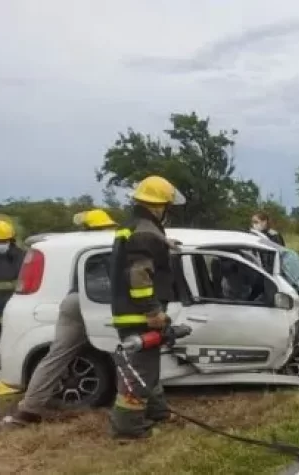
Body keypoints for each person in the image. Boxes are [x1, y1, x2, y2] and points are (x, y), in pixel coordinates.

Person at [0, 209, 117, 430]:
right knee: (131, 352)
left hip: (69, 304)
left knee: (57, 356)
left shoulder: (79, 247)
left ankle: (28, 410)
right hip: (97, 304)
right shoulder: (106, 247)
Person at [109, 175, 186, 440]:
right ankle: (128, 428)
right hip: (138, 314)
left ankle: (157, 413)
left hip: (130, 310)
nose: (168, 211)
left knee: (149, 368)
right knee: (140, 371)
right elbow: (139, 275)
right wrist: (152, 311)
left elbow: (137, 258)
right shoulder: (145, 232)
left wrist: (165, 244)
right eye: (167, 205)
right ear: (158, 206)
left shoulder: (135, 226)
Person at [0, 218, 25, 382]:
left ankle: (10, 379)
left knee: (14, 349)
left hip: (16, 313)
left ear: (11, 240)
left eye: (3, 241)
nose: (0, 244)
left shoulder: (21, 257)